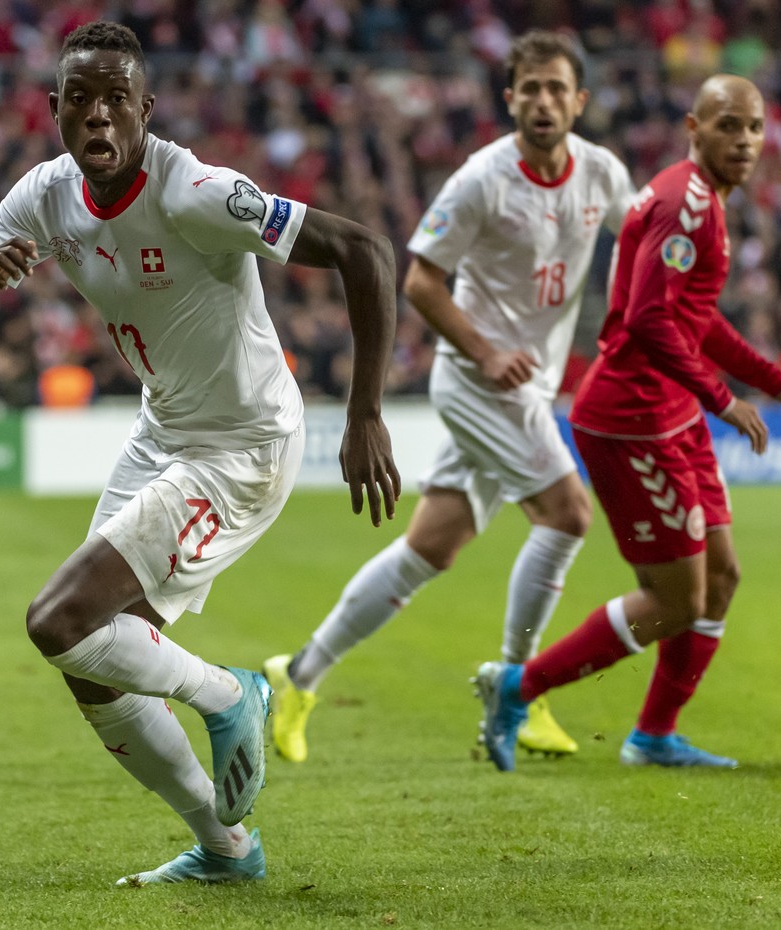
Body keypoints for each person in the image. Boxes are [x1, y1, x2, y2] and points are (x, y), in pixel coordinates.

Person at [0, 22, 402, 884]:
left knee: (56, 620)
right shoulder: (41, 197)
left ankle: (231, 694)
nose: (99, 117)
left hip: (245, 447)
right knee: (92, 665)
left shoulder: (197, 191)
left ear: (146, 109)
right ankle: (226, 849)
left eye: (116, 100)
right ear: (55, 110)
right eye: (81, 100)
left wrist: (364, 413)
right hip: (163, 432)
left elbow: (364, 249)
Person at [262, 31, 633, 764]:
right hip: (477, 381)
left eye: (557, 88)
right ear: (510, 99)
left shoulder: (602, 173)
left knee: (430, 548)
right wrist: (487, 351)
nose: (543, 101)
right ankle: (519, 688)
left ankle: (297, 674)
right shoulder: (481, 180)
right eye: (529, 88)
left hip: (529, 383)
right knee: (566, 513)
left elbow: (643, 236)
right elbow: (421, 281)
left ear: (579, 101)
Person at [473, 74, 781, 772]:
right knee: (675, 599)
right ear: (693, 128)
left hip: (673, 414)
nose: (745, 140)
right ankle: (520, 685)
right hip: (632, 418)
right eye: (729, 125)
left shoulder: (703, 201)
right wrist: (723, 399)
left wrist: (778, 384)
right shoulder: (685, 205)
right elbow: (647, 319)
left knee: (722, 577)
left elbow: (697, 321)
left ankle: (652, 737)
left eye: (755, 127)